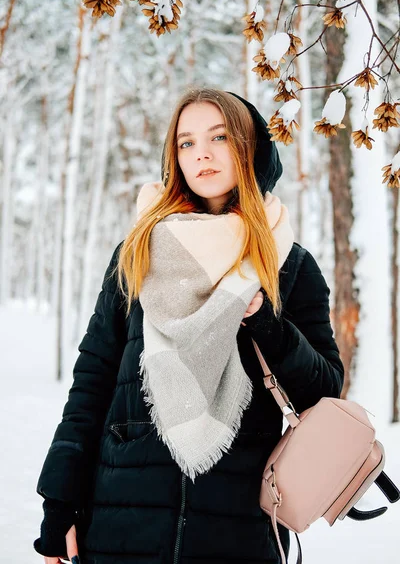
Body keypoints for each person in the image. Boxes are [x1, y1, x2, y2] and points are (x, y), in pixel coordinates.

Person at [34, 87, 344, 564]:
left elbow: (324, 394)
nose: (201, 152)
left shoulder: (289, 265)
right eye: (186, 142)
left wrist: (263, 318)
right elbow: (91, 383)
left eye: (219, 137)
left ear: (250, 148)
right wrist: (58, 505)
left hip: (236, 528)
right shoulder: (139, 252)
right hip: (122, 521)